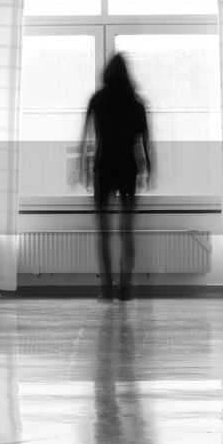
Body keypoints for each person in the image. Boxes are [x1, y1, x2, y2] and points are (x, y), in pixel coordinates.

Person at [82, 53, 152, 301]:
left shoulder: (98, 99)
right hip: (128, 168)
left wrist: (83, 167)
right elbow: (145, 140)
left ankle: (108, 288)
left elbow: (86, 138)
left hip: (104, 167)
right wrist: (148, 168)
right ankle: (126, 286)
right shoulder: (136, 102)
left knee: (104, 232)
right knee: (126, 231)